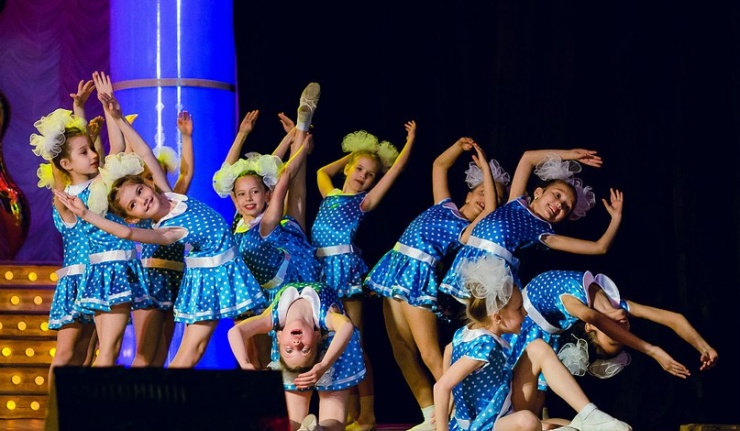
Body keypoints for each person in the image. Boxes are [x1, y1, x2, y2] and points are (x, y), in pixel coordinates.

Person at [53, 71, 267, 368]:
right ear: (133, 216)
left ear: (148, 184)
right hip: (210, 275)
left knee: (202, 349)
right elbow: (127, 234)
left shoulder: (170, 194)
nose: (143, 200)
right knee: (190, 351)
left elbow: (143, 150)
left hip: (228, 266)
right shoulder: (168, 230)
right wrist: (87, 214)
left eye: (140, 191)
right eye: (135, 205)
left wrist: (117, 115)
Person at [363, 137, 506, 431]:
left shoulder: (469, 230)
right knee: (401, 350)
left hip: (417, 277)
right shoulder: (444, 204)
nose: (484, 198)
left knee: (430, 353)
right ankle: (430, 413)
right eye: (481, 191)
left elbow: (490, 208)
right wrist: (459, 147)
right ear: (469, 193)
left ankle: (455, 416)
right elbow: (439, 166)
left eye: (491, 195)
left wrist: (487, 173)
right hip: (395, 269)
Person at [433, 255, 632, 431]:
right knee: (528, 422)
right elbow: (441, 386)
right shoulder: (484, 346)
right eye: (519, 309)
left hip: (502, 408)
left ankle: (590, 415)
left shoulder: (465, 333)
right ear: (498, 317)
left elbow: (450, 351)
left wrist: (455, 404)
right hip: (487, 425)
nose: (526, 313)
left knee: (537, 348)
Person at [503, 268, 719, 422]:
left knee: (530, 413)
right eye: (622, 336)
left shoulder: (578, 307)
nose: (623, 330)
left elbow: (595, 317)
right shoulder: (613, 305)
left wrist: (701, 347)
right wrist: (701, 347)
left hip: (526, 333)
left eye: (615, 336)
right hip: (524, 328)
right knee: (528, 414)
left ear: (590, 327)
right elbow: (674, 318)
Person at [310, 121, 417, 429]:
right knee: (331, 343)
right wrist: (353, 155)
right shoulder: (330, 193)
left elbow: (396, 171)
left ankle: (367, 414)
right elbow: (321, 172)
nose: (363, 177)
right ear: (348, 169)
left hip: (345, 270)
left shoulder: (363, 202)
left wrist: (409, 142)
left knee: (353, 341)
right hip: (321, 271)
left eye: (370, 174)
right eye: (359, 169)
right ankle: (348, 412)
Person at [440, 148, 623, 300]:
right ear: (538, 192)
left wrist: (616, 218)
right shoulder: (515, 201)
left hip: (493, 280)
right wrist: (569, 155)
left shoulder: (544, 233)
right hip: (465, 265)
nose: (559, 204)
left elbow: (599, 247)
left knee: (483, 324)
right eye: (557, 195)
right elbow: (528, 158)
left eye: (566, 207)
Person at [227, 281, 366, 431]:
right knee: (296, 420)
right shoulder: (324, 316)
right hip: (330, 355)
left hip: (334, 351)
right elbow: (346, 326)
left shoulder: (273, 318)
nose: (297, 344)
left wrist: (245, 364)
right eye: (305, 350)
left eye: (289, 350)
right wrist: (323, 365)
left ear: (279, 337)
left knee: (332, 416)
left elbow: (235, 331)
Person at [135, 109, 195, 366]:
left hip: (175, 278)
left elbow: (186, 174)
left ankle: (154, 391)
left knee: (162, 351)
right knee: (144, 353)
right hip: (151, 278)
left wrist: (187, 137)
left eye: (157, 175)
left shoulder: (173, 203)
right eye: (148, 177)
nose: (153, 183)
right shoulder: (141, 209)